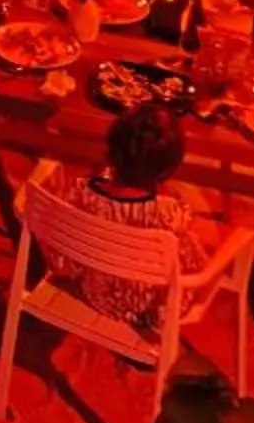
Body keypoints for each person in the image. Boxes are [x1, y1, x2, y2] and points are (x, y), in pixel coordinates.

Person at [52, 105, 216, 335]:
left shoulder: (80, 192)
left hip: (99, 296)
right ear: (169, 168)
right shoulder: (168, 212)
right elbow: (187, 227)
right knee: (206, 241)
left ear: (110, 150)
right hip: (151, 307)